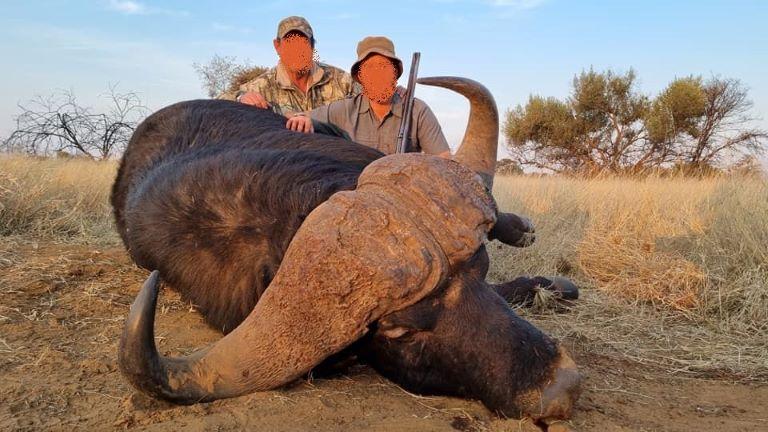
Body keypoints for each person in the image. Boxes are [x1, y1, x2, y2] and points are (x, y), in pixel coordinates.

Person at [286, 36, 451, 158]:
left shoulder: (418, 111)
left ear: (395, 73)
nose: (377, 74)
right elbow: (292, 118)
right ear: (360, 77)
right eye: (369, 68)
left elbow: (444, 161)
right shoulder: (344, 110)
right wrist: (301, 118)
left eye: (384, 67)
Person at [222, 16, 359, 115]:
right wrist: (241, 98)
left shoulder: (341, 81)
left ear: (312, 47)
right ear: (277, 46)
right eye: (290, 43)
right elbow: (218, 104)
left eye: (302, 43)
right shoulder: (262, 86)